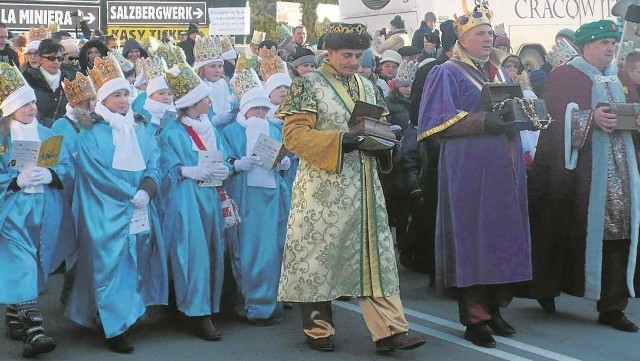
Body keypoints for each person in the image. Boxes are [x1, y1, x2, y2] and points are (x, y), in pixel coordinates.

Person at [276, 22, 425, 354]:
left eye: (358, 55)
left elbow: (381, 126)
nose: (354, 62)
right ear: (329, 53)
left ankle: (390, 329)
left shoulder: (368, 86)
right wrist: (342, 140)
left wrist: (386, 141)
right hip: (322, 187)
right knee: (319, 257)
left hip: (366, 185)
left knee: (376, 255)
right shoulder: (307, 85)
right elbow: (294, 135)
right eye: (347, 55)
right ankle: (317, 327)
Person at [418, 5, 532, 348]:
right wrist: (483, 121)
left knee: (501, 238)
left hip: (505, 167)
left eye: (489, 33)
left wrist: (530, 117)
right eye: (479, 34)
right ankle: (475, 318)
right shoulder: (447, 72)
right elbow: (433, 123)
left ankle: (496, 306)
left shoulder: (499, 74)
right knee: (472, 239)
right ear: (463, 39)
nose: (487, 39)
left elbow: (515, 110)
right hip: (468, 170)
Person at [523, 20, 639, 333]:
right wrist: (589, 118)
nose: (610, 49)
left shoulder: (619, 77)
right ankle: (547, 289)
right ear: (587, 45)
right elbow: (552, 122)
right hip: (575, 177)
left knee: (618, 234)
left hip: (619, 174)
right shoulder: (565, 76)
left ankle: (613, 307)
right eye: (604, 43)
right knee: (561, 230)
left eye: (613, 44)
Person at [65, 54, 168, 353]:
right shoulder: (92, 133)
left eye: (125, 94)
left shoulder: (142, 128)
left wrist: (148, 189)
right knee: (110, 265)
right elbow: (95, 173)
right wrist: (129, 195)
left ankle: (128, 314)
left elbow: (154, 162)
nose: (123, 101)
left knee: (137, 259)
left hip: (139, 206)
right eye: (115, 95)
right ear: (103, 99)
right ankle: (113, 326)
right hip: (106, 211)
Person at [0, 62, 74, 358]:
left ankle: (14, 312)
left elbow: (66, 167)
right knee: (23, 263)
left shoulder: (47, 133)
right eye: (24, 103)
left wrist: (52, 175)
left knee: (37, 264)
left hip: (45, 210)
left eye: (32, 101)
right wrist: (15, 181)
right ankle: (35, 329)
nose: (32, 107)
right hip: (13, 211)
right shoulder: (3, 140)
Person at [159, 62, 229, 341]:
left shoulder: (210, 127)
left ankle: (205, 305)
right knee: (194, 253)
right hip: (186, 198)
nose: (211, 101)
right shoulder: (173, 132)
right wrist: (187, 170)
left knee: (212, 251)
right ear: (192, 103)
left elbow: (225, 155)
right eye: (206, 98)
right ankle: (198, 313)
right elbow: (164, 168)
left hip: (210, 195)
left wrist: (228, 167)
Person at [222, 67, 291, 326]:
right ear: (244, 110)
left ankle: (270, 303)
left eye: (264, 109)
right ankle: (249, 304)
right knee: (245, 251)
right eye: (256, 109)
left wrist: (283, 164)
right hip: (244, 199)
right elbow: (223, 160)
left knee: (271, 250)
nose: (261, 113)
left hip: (271, 200)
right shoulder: (230, 132)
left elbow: (284, 157)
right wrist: (236, 164)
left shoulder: (273, 130)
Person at [23, 39, 70, 128]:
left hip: (63, 131)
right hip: (36, 130)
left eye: (59, 59)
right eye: (51, 58)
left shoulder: (69, 79)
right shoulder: (28, 79)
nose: (56, 62)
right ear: (40, 59)